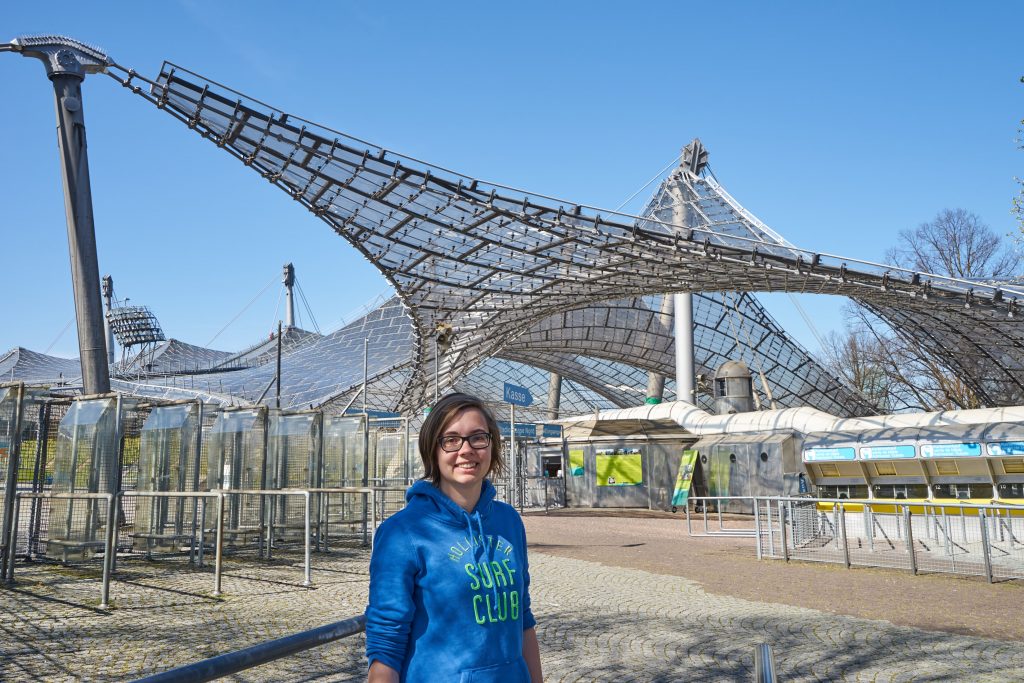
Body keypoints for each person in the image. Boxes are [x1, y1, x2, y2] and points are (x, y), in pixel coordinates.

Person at [365, 393, 543, 682]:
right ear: (432, 450)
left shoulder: (508, 521)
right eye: (451, 440)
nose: (466, 450)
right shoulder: (402, 533)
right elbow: (386, 641)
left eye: (477, 437)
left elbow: (523, 618)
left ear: (492, 445)